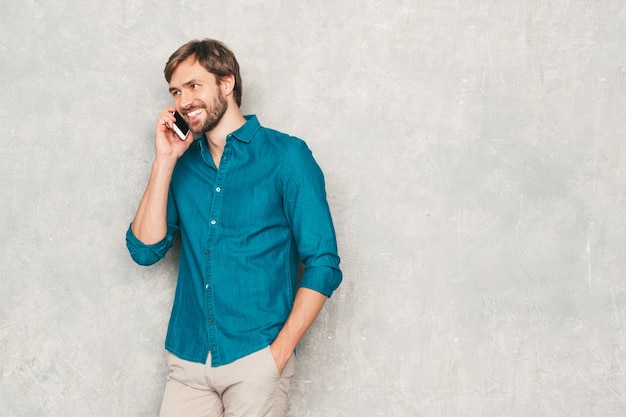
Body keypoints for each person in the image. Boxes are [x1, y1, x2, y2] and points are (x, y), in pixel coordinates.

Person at [125, 38, 342, 417]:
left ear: (226, 84)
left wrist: (277, 355)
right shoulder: (183, 165)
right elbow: (145, 250)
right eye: (176, 91)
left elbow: (323, 263)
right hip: (188, 361)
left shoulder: (287, 156)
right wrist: (164, 160)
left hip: (255, 358)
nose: (184, 100)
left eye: (194, 86)